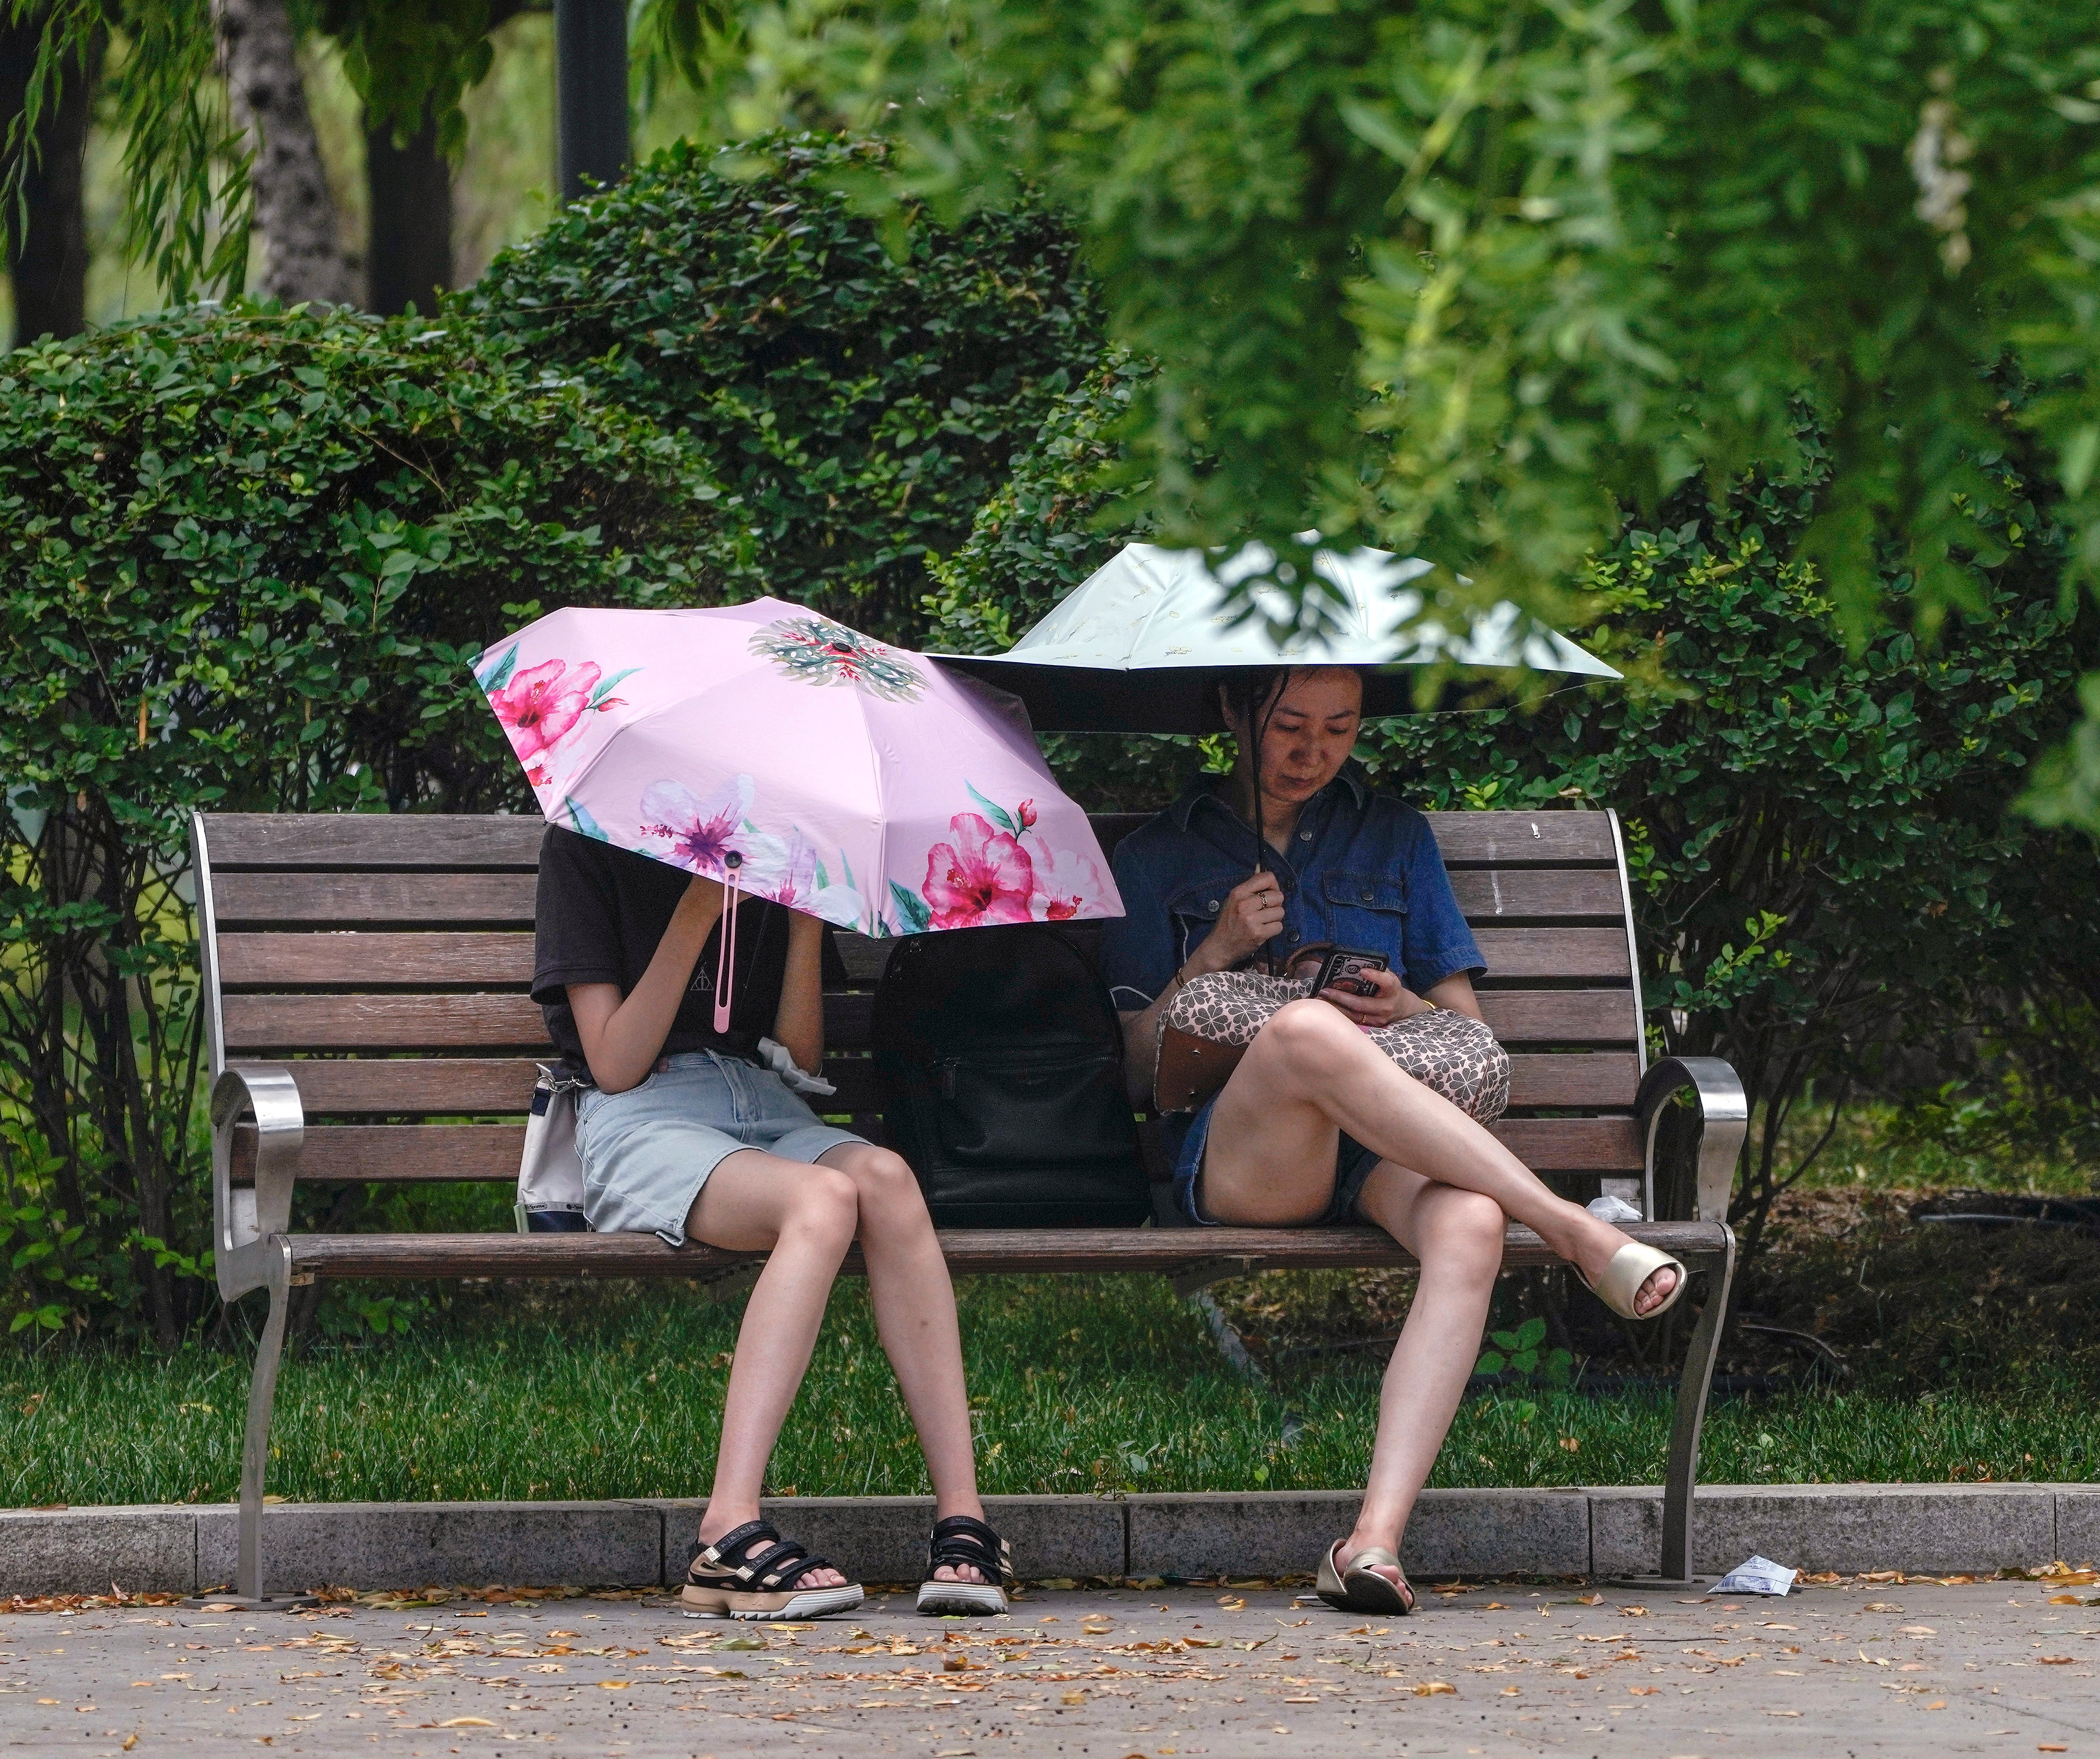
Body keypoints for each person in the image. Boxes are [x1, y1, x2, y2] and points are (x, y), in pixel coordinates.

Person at [1104, 665, 1689, 1615]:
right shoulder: (1154, 856)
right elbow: (1134, 1074)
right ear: (1231, 711)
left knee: (1470, 1226)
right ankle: (1575, 1229)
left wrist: (1399, 1004)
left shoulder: (1396, 835)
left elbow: (1458, 1027)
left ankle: (1371, 1543)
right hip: (1249, 1155)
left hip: (1384, 1149)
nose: (1313, 752)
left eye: (1339, 727)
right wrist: (1213, 951)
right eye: (1290, 724)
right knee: (1300, 1034)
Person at [531, 827, 1008, 1618]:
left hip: (765, 1105)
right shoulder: (585, 848)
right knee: (821, 1202)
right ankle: (726, 1530)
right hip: (642, 1117)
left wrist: (803, 915)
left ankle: (964, 1519)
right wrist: (694, 910)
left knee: (886, 1181)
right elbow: (615, 1063)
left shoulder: (771, 838)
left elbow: (800, 1058)